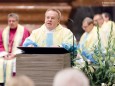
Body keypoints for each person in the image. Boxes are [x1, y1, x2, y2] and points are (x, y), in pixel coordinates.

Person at [0, 13, 30, 85]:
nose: (11, 23)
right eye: (9, 21)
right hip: (5, 55)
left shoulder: (24, 31)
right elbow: (0, 44)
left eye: (13, 21)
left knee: (14, 63)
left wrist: (14, 54)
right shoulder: (3, 31)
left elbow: (26, 45)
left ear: (17, 21)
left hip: (18, 55)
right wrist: (4, 54)